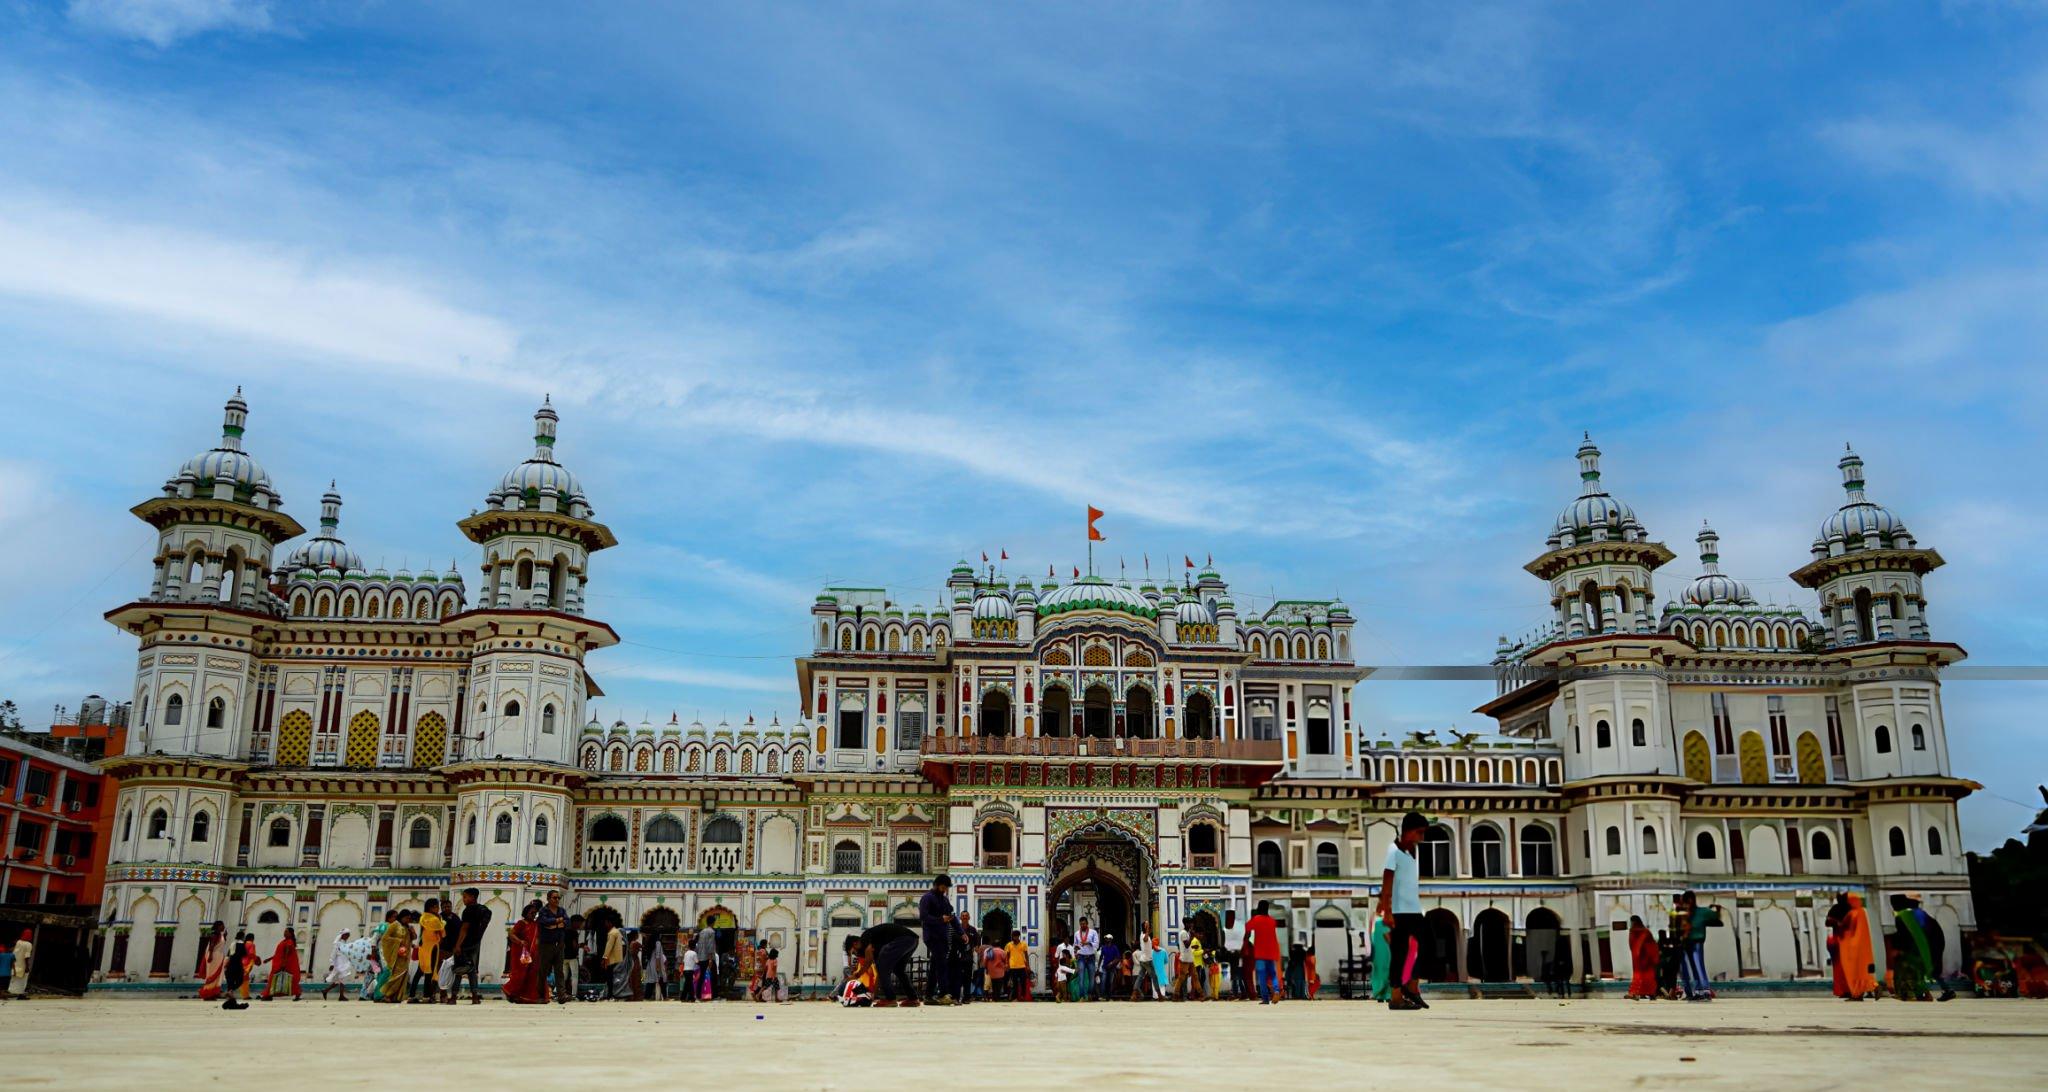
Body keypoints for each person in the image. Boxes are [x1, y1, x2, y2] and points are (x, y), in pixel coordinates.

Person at [1378, 811, 1429, 1011]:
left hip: (1413, 910)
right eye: (1419, 833)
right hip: (1400, 912)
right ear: (1407, 832)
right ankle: (1397, 997)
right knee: (1399, 954)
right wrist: (1387, 910)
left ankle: (1411, 986)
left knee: (1428, 946)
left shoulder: (1409, 854)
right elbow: (1387, 878)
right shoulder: (1394, 851)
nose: (1421, 838)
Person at [848, 919, 921, 1007]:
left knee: (883, 967)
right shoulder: (877, 948)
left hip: (903, 939)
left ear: (855, 944)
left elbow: (868, 962)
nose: (856, 955)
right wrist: (873, 995)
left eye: (854, 952)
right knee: (898, 970)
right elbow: (879, 973)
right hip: (913, 940)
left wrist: (856, 975)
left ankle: (890, 999)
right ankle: (913, 998)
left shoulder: (865, 938)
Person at [445, 887, 492, 1005]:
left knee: (459, 969)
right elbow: (483, 925)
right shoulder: (484, 910)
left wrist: (457, 945)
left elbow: (464, 929)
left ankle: (453, 997)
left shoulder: (468, 911)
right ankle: (475, 997)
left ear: (472, 897)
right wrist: (478, 936)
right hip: (475, 944)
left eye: (465, 897)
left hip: (465, 944)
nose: (464, 899)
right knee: (472, 969)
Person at [919, 874, 957, 1004]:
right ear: (936, 885)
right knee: (941, 965)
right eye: (943, 887)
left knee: (935, 966)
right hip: (932, 936)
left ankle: (928, 996)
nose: (945, 890)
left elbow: (951, 917)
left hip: (942, 936)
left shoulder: (945, 900)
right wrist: (940, 920)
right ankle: (943, 993)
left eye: (946, 888)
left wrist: (961, 932)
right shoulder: (927, 898)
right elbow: (924, 917)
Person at [1677, 891, 1721, 1001]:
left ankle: (1705, 991)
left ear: (1690, 901)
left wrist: (1717, 910)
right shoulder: (1686, 915)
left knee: (1699, 966)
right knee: (1694, 968)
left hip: (1696, 943)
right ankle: (1698, 991)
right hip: (1687, 943)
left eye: (1685, 903)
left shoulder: (1701, 912)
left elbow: (1715, 917)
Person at [1833, 893, 1878, 1001]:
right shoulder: (1862, 912)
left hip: (1852, 947)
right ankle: (1873, 986)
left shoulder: (1852, 914)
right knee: (1862, 971)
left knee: (1853, 972)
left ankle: (1857, 994)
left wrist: (1836, 922)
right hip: (1863, 947)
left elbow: (1843, 927)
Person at [1889, 894, 1934, 1001]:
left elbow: (1901, 934)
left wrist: (1897, 948)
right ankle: (1925, 993)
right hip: (1919, 948)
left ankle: (1908, 994)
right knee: (1916, 973)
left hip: (1907, 950)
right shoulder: (1913, 914)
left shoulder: (1901, 916)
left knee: (1905, 973)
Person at [504, 900, 546, 1004]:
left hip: (533, 954)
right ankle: (510, 992)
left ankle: (528, 997)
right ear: (526, 913)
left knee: (532, 975)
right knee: (520, 975)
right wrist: (520, 941)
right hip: (521, 954)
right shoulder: (521, 923)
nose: (533, 915)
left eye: (534, 913)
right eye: (531, 913)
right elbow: (511, 934)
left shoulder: (535, 924)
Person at [1246, 901, 1281, 1005]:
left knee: (1262, 976)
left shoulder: (1256, 919)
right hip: (1272, 952)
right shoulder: (1272, 921)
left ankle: (1265, 999)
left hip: (1260, 953)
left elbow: (1247, 927)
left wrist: (1254, 915)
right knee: (1273, 974)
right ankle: (1277, 991)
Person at [536, 891, 568, 1004]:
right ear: (549, 899)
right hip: (546, 944)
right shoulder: (543, 911)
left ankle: (561, 996)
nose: (557, 900)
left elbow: (567, 922)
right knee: (543, 971)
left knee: (559, 971)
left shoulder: (561, 910)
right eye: (555, 898)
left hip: (558, 944)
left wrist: (552, 925)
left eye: (558, 898)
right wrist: (557, 922)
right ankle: (540, 996)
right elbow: (544, 922)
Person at [412, 898, 445, 1003]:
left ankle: (411, 995)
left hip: (423, 947)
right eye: (436, 906)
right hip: (432, 947)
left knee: (420, 970)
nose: (438, 908)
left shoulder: (423, 917)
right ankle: (427, 996)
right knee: (430, 971)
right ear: (431, 907)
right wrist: (440, 920)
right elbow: (442, 933)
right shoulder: (434, 919)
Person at [378, 911, 414, 1002]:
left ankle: (396, 996)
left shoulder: (408, 927)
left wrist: (412, 931)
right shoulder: (395, 925)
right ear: (401, 917)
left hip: (405, 955)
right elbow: (385, 938)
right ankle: (387, 994)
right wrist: (397, 940)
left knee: (403, 977)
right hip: (397, 956)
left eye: (409, 919)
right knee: (396, 976)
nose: (408, 920)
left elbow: (414, 938)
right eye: (406, 918)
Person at [262, 928, 303, 1001]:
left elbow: (286, 952)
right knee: (275, 979)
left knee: (288, 979)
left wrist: (284, 963)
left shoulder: (289, 942)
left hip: (286, 964)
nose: (284, 933)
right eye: (284, 931)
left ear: (290, 933)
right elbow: (279, 953)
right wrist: (269, 959)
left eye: (286, 932)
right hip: (278, 963)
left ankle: (268, 995)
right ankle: (269, 995)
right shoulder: (284, 941)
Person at [1626, 916, 1659, 999]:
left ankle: (1636, 992)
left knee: (1642, 975)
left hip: (1645, 957)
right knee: (1645, 975)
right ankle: (1645, 992)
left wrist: (1638, 953)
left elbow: (1643, 943)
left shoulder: (1643, 932)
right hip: (1640, 957)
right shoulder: (1638, 931)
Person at [197, 923, 228, 1001]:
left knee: (218, 975)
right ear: (218, 926)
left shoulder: (221, 935)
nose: (223, 927)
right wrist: (210, 955)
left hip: (219, 956)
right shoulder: (214, 934)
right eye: (222, 925)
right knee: (211, 974)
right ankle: (208, 993)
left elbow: (221, 944)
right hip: (213, 955)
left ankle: (213, 993)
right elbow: (212, 945)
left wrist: (225, 936)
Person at [1221, 910, 1247, 1000]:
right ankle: (1239, 993)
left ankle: (1238, 993)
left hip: (1237, 956)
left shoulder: (1239, 927)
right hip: (1232, 956)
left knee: (1237, 977)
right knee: (1236, 976)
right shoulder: (1226, 928)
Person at [1072, 916, 1099, 1001]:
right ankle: (1082, 996)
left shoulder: (1093, 932)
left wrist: (1088, 943)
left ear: (1087, 923)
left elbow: (1097, 944)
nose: (1082, 925)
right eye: (1081, 924)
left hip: (1091, 956)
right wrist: (1075, 949)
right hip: (1081, 957)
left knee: (1091, 978)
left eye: (1084, 924)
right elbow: (1075, 945)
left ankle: (1090, 994)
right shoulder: (1076, 933)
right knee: (1081, 977)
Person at [1369, 918, 1393, 1002]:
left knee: (1378, 973)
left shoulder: (1373, 934)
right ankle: (1388, 995)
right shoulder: (1383, 926)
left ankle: (1379, 995)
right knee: (1387, 972)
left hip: (1377, 955)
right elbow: (1389, 940)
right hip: (1386, 953)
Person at [563, 914, 585, 1002]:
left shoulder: (564, 930)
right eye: (580, 923)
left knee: (563, 975)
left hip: (564, 956)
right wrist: (582, 945)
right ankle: (574, 994)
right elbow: (574, 946)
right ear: (575, 922)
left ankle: (557, 992)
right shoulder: (573, 932)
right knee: (575, 976)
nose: (580, 925)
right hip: (572, 957)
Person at [695, 924, 720, 1000]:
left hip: (701, 961)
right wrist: (709, 960)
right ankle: (709, 995)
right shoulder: (708, 939)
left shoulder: (699, 944)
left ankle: (699, 995)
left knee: (702, 979)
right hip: (707, 960)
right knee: (710, 979)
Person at [644, 931, 669, 1001]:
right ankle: (665, 997)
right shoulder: (658, 943)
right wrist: (657, 966)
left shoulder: (651, 943)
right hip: (657, 964)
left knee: (651, 981)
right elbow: (657, 955)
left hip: (651, 964)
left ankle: (647, 997)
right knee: (661, 980)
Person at [6, 929, 31, 1000]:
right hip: (22, 965)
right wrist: (27, 966)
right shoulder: (29, 944)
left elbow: (14, 953)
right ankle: (20, 994)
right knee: (23, 980)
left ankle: (12, 993)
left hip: (15, 964)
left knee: (13, 979)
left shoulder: (18, 942)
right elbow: (27, 956)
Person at [1006, 931, 1030, 1001]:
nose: (1014, 937)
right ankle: (1015, 997)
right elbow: (1007, 955)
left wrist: (1028, 965)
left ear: (1018, 936)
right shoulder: (1009, 945)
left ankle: (1023, 996)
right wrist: (1007, 964)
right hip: (1013, 967)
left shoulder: (1023, 944)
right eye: (1013, 936)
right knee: (1015, 983)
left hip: (1022, 966)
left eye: (1016, 936)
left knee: (1023, 982)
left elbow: (1026, 955)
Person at [983, 936, 1008, 1000]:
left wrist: (986, 968)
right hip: (1000, 972)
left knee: (994, 985)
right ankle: (997, 997)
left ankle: (994, 997)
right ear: (1000, 945)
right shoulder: (1002, 952)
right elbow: (1006, 962)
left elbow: (985, 961)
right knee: (999, 985)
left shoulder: (990, 951)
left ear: (993, 945)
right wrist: (1005, 968)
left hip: (992, 971)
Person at [681, 933, 700, 1003]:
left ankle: (683, 997)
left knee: (687, 984)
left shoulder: (686, 953)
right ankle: (692, 998)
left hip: (685, 970)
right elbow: (697, 962)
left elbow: (684, 962)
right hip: (690, 970)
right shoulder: (694, 953)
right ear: (694, 946)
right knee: (690, 985)